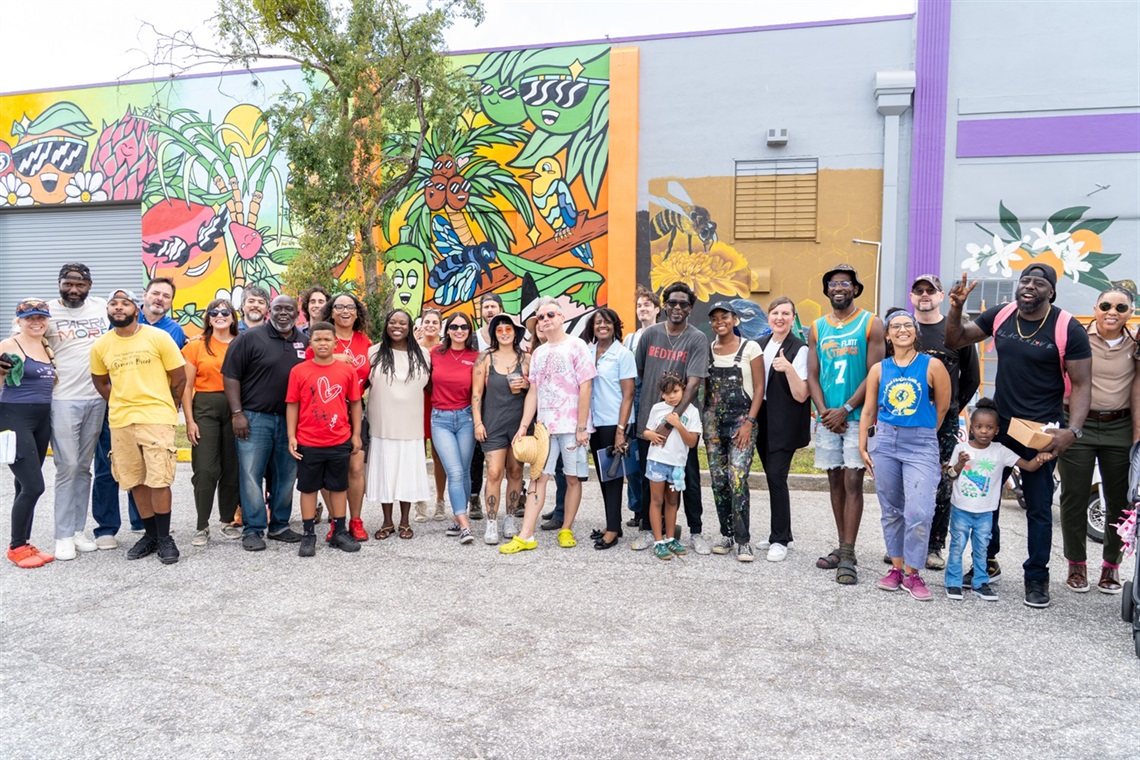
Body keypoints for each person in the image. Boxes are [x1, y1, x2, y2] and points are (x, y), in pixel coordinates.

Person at [945, 264, 1092, 608]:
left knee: (1038, 507)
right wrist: (956, 308)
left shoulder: (1067, 327)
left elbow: (1083, 384)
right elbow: (955, 339)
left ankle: (1037, 577)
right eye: (1025, 280)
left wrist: (1072, 430)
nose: (1029, 286)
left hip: (1042, 430)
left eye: (1038, 283)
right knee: (988, 499)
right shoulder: (1002, 314)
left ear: (1051, 291)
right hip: (1002, 425)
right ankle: (987, 563)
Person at [89, 289, 187, 565]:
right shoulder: (101, 345)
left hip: (156, 418)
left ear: (137, 308)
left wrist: (169, 405)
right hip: (121, 421)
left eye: (125, 303)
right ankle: (151, 535)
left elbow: (179, 377)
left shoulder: (158, 337)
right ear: (108, 310)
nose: (119, 308)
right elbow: (100, 381)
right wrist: (119, 402)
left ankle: (165, 537)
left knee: (159, 479)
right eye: (113, 304)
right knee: (135, 480)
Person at [859, 310, 950, 600]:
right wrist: (863, 445)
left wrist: (923, 433)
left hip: (921, 443)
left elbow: (943, 407)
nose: (902, 330)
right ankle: (896, 569)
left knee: (919, 511)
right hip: (885, 441)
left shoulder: (932, 365)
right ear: (887, 335)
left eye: (908, 325)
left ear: (915, 332)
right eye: (895, 326)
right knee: (891, 509)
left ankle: (913, 573)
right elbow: (869, 410)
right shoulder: (879, 369)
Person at [1057, 286, 1139, 594]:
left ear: (1131, 313)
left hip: (1120, 426)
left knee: (1120, 500)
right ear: (1095, 309)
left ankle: (1111, 567)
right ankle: (1076, 564)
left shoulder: (1135, 343)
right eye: (1105, 306)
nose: (1112, 312)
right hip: (1079, 424)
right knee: (1074, 496)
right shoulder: (1077, 338)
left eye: (1120, 307)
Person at [807, 264, 885, 585]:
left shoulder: (871, 323)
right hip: (828, 419)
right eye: (833, 284)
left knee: (853, 482)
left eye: (845, 283)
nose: (838, 288)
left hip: (857, 417)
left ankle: (849, 555)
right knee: (835, 482)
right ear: (826, 290)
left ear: (855, 288)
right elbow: (812, 374)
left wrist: (847, 408)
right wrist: (825, 411)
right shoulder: (817, 327)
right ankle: (842, 546)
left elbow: (875, 373)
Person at [500, 297, 596, 554]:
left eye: (550, 315)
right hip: (544, 428)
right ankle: (526, 535)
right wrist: (524, 426)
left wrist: (582, 426)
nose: (545, 320)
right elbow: (533, 391)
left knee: (572, 478)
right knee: (538, 477)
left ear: (562, 317)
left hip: (572, 427)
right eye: (541, 317)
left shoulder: (577, 346)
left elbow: (586, 386)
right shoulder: (539, 353)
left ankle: (566, 528)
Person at [26, 264, 110, 552]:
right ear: (59, 282)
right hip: (61, 398)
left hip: (96, 398)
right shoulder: (46, 311)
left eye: (80, 284)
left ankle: (77, 531)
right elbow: (22, 337)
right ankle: (62, 536)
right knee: (67, 466)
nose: (74, 290)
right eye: (68, 284)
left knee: (84, 468)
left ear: (89, 285)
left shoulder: (101, 307)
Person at [222, 294, 309, 551]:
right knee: (251, 475)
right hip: (254, 418)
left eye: (289, 309)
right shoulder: (249, 338)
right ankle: (253, 529)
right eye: (278, 308)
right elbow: (230, 376)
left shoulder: (304, 342)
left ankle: (280, 525)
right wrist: (237, 413)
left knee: (286, 475)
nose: (283, 313)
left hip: (291, 421)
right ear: (270, 311)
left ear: (297, 313)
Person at [945, 398, 1054, 601]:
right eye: (979, 426)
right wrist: (959, 464)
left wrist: (1041, 457)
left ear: (997, 430)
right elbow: (950, 475)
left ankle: (980, 583)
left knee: (982, 549)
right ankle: (953, 583)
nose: (983, 431)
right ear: (971, 428)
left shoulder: (1001, 451)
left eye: (989, 427)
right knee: (957, 547)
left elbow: (1028, 466)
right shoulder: (961, 449)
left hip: (985, 512)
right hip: (961, 510)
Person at [631, 282, 710, 554]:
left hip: (681, 422)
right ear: (664, 306)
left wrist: (671, 420)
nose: (677, 308)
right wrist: (656, 423)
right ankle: (648, 531)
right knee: (649, 480)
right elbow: (641, 372)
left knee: (688, 480)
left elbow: (694, 383)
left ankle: (696, 532)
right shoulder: (650, 335)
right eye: (672, 303)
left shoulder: (697, 338)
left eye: (683, 304)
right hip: (650, 421)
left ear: (690, 308)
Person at [909, 274, 980, 570]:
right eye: (919, 290)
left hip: (944, 421)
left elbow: (972, 378)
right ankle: (905, 544)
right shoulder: (903, 328)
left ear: (940, 296)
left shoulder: (955, 329)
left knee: (942, 482)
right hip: (906, 418)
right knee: (907, 483)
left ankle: (934, 545)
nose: (924, 294)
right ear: (912, 297)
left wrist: (950, 409)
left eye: (931, 290)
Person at [286, 321, 363, 557]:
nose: (322, 343)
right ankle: (308, 534)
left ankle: (339, 531)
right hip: (308, 441)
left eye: (327, 339)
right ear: (310, 343)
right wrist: (291, 435)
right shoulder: (299, 371)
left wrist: (356, 434)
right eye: (317, 339)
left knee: (338, 487)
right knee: (308, 488)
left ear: (335, 343)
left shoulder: (347, 371)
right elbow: (292, 404)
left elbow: (355, 403)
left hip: (339, 439)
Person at [704, 302, 764, 562]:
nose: (720, 322)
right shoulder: (708, 350)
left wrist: (749, 422)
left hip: (742, 421)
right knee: (718, 480)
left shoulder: (750, 348)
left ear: (735, 319)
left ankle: (743, 540)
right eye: (715, 318)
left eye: (725, 317)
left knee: (737, 478)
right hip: (713, 423)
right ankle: (726, 534)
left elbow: (760, 389)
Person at [1, 300, 58, 568]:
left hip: (41, 419)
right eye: (30, 318)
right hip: (14, 418)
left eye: (41, 317)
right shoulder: (8, 345)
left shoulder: (46, 346)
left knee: (22, 485)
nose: (36, 322)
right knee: (34, 486)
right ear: (19, 321)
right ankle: (16, 548)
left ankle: (24, 541)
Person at [365, 310, 432, 541]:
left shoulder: (423, 354)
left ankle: (405, 521)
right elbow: (361, 383)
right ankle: (387, 521)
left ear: (410, 327)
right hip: (383, 423)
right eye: (392, 322)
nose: (397, 326)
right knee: (385, 472)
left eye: (402, 323)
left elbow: (430, 387)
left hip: (411, 424)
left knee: (407, 474)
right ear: (386, 325)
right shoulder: (374, 352)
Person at [312, 292, 371, 541]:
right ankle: (337, 521)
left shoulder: (364, 341)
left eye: (350, 307)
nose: (345, 311)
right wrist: (333, 356)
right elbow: (308, 362)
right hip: (325, 410)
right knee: (329, 469)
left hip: (355, 408)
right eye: (339, 307)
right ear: (331, 311)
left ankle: (356, 520)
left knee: (356, 468)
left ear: (357, 313)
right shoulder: (322, 338)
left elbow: (371, 374)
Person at [181, 298, 240, 546]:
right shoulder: (196, 346)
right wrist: (189, 420)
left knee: (232, 467)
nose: (219, 315)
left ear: (233, 316)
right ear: (208, 317)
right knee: (205, 468)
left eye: (225, 311)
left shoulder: (241, 343)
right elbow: (186, 387)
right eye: (214, 312)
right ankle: (201, 525)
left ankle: (227, 520)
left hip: (236, 408)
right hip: (205, 407)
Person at [756, 296, 811, 562]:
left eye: (786, 313)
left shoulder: (800, 349)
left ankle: (779, 540)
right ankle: (780, 533)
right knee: (772, 477)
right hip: (762, 419)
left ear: (793, 318)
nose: (780, 318)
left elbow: (802, 394)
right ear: (768, 317)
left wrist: (788, 369)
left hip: (785, 422)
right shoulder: (759, 344)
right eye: (775, 313)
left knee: (777, 477)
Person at [472, 313, 529, 544]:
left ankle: (510, 519)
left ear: (516, 332)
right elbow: (476, 394)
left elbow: (536, 390)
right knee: (494, 472)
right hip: (493, 424)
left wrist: (526, 384)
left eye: (508, 329)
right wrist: (478, 422)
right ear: (494, 333)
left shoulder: (526, 358)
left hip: (519, 425)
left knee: (515, 472)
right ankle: (492, 522)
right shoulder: (484, 358)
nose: (504, 333)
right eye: (499, 330)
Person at [582, 308, 636, 550]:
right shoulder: (588, 352)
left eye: (607, 322)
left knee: (613, 476)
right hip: (595, 422)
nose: (602, 326)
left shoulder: (622, 354)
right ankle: (613, 523)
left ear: (615, 326)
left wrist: (620, 430)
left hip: (615, 422)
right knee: (604, 476)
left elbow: (629, 394)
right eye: (597, 322)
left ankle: (613, 530)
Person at [429, 312, 480, 544]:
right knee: (455, 472)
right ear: (447, 330)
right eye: (454, 327)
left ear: (469, 331)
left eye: (464, 327)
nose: (459, 331)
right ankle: (465, 526)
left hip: (466, 418)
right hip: (441, 419)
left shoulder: (476, 357)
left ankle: (458, 517)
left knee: (465, 470)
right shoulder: (435, 353)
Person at [642, 374, 703, 561]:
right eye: (667, 393)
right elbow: (647, 431)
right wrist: (649, 435)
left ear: (683, 389)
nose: (672, 396)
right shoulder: (657, 409)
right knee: (656, 500)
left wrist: (678, 425)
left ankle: (670, 538)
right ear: (662, 394)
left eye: (676, 391)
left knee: (672, 501)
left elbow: (692, 442)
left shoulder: (691, 411)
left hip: (677, 464)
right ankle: (658, 541)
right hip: (657, 461)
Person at [621, 285, 659, 527]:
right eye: (639, 305)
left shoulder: (663, 335)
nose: (642, 309)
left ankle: (654, 511)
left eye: (647, 305)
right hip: (633, 399)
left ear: (657, 309)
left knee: (653, 459)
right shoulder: (630, 339)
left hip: (655, 400)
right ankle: (637, 509)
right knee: (632, 459)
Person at [469, 292, 505, 520]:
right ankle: (474, 499)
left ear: (501, 309)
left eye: (493, 306)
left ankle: (519, 494)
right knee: (476, 455)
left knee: (510, 455)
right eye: (486, 307)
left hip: (505, 405)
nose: (489, 310)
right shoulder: (473, 338)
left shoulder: (508, 334)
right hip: (478, 404)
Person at [415, 308, 448, 522]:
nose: (430, 325)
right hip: (416, 404)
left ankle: (440, 500)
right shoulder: (413, 348)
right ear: (421, 324)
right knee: (417, 454)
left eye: (435, 322)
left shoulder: (444, 349)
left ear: (440, 326)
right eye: (427, 321)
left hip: (438, 402)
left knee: (438, 455)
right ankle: (419, 501)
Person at [139, 277, 186, 349]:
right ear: (144, 295)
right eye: (155, 293)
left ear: (171, 302)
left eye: (166, 296)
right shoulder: (127, 321)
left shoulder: (175, 330)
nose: (160, 298)